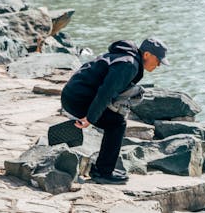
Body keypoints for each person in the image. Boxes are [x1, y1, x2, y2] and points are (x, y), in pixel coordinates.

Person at [61, 38, 169, 184]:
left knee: (115, 121)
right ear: (147, 55)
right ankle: (102, 172)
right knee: (116, 124)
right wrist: (90, 118)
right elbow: (105, 92)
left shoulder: (127, 58)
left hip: (75, 94)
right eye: (158, 60)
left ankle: (103, 169)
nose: (158, 65)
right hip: (77, 99)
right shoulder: (129, 65)